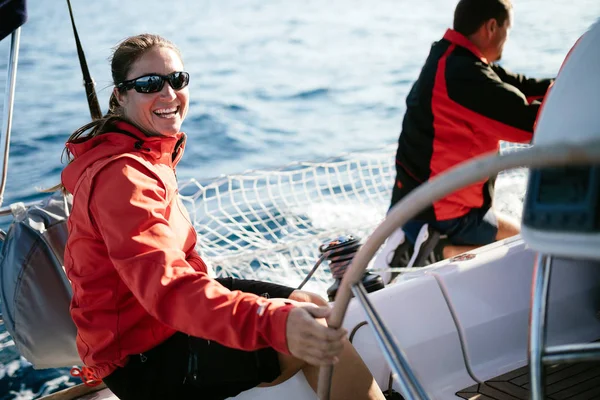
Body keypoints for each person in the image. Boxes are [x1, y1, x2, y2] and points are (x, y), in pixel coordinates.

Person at [60, 34, 386, 400]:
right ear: (121, 95)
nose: (168, 94)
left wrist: (279, 314)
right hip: (142, 359)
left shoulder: (146, 153)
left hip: (162, 321)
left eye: (177, 80)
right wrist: (271, 321)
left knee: (308, 303)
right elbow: (167, 290)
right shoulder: (123, 177)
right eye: (150, 84)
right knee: (318, 332)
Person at [384, 0, 554, 276]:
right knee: (527, 252)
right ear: (491, 27)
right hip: (444, 215)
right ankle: (439, 250)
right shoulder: (461, 74)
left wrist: (568, 84)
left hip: (433, 205)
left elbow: (522, 87)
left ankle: (437, 245)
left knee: (522, 237)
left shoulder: (454, 59)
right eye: (506, 30)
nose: (505, 39)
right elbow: (530, 124)